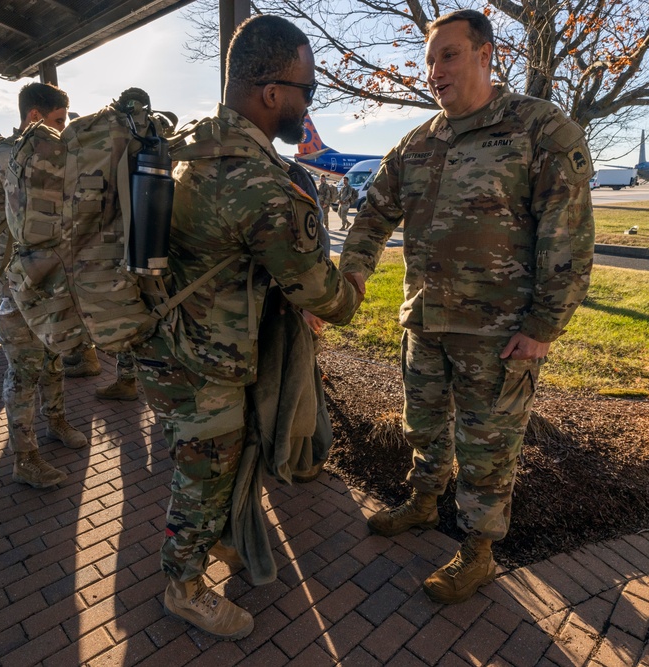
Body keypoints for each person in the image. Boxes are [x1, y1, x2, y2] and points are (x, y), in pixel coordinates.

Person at [340, 9, 594, 605]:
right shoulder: (417, 143)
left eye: (448, 55)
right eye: (430, 59)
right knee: (425, 427)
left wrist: (542, 327)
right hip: (425, 321)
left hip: (498, 332)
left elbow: (569, 235)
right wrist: (350, 278)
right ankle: (424, 503)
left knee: (488, 447)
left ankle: (478, 553)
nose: (434, 71)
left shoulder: (539, 129)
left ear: (486, 54)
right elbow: (372, 215)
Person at [133, 15, 362, 640]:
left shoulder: (191, 147)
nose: (306, 102)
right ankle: (181, 584)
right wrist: (358, 274)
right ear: (270, 93)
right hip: (204, 362)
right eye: (306, 90)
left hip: (164, 341)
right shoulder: (260, 184)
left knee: (214, 466)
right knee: (204, 476)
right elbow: (325, 296)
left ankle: (218, 545)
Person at [0, 83, 90, 487]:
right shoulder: (12, 158)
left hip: (47, 275)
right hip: (17, 282)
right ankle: (24, 457)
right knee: (24, 369)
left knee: (54, 356)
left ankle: (56, 421)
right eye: (59, 120)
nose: (64, 129)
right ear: (34, 117)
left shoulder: (39, 154)